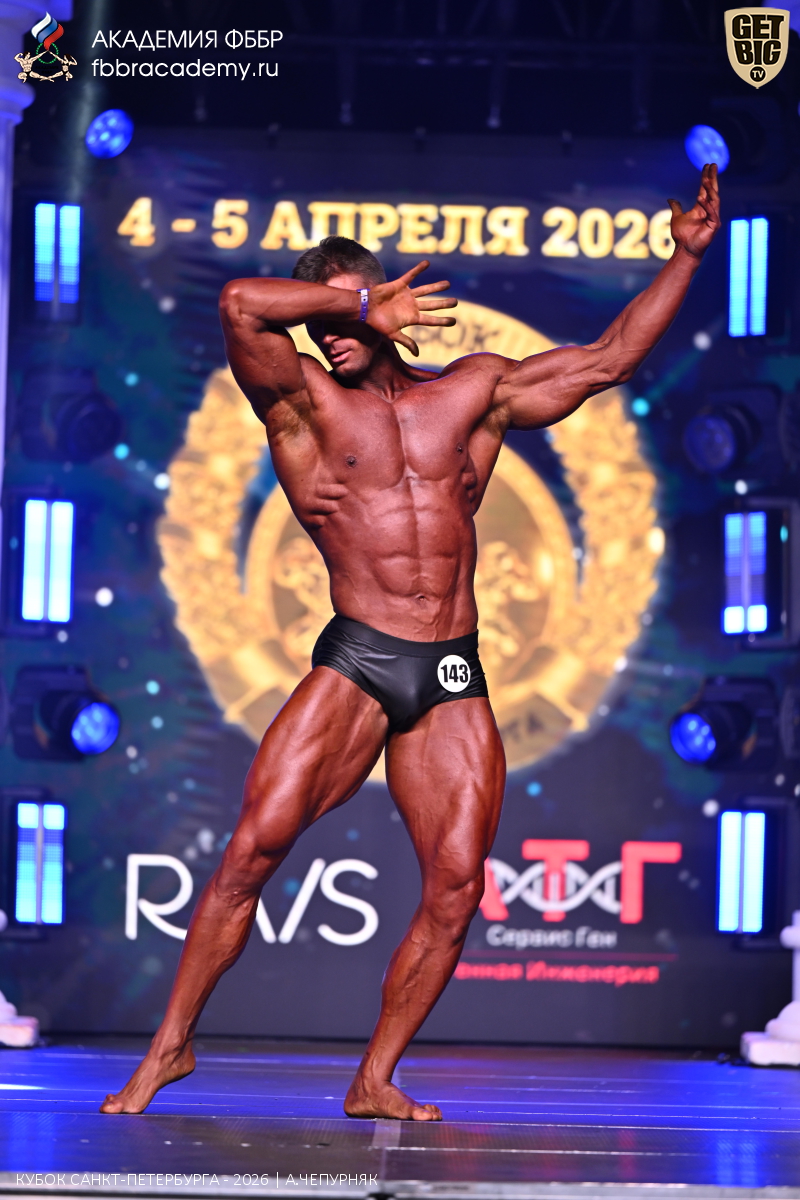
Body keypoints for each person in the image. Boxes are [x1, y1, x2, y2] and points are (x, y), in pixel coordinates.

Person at [101, 164, 720, 1121]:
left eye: (351, 316)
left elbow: (606, 361)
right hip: (359, 658)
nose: (334, 338)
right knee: (251, 855)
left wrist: (684, 260)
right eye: (325, 322)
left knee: (457, 887)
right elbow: (238, 305)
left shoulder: (473, 393)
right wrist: (355, 301)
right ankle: (170, 1048)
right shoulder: (302, 405)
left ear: (396, 315)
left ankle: (374, 1077)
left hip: (452, 670)